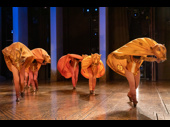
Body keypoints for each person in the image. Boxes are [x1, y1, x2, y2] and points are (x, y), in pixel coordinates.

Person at [107, 37, 167, 107]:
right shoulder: (129, 56)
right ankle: (134, 100)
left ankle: (129, 94)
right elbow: (120, 57)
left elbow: (148, 59)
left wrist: (156, 59)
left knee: (136, 86)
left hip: (136, 71)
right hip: (128, 71)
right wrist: (115, 54)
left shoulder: (141, 57)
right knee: (132, 86)